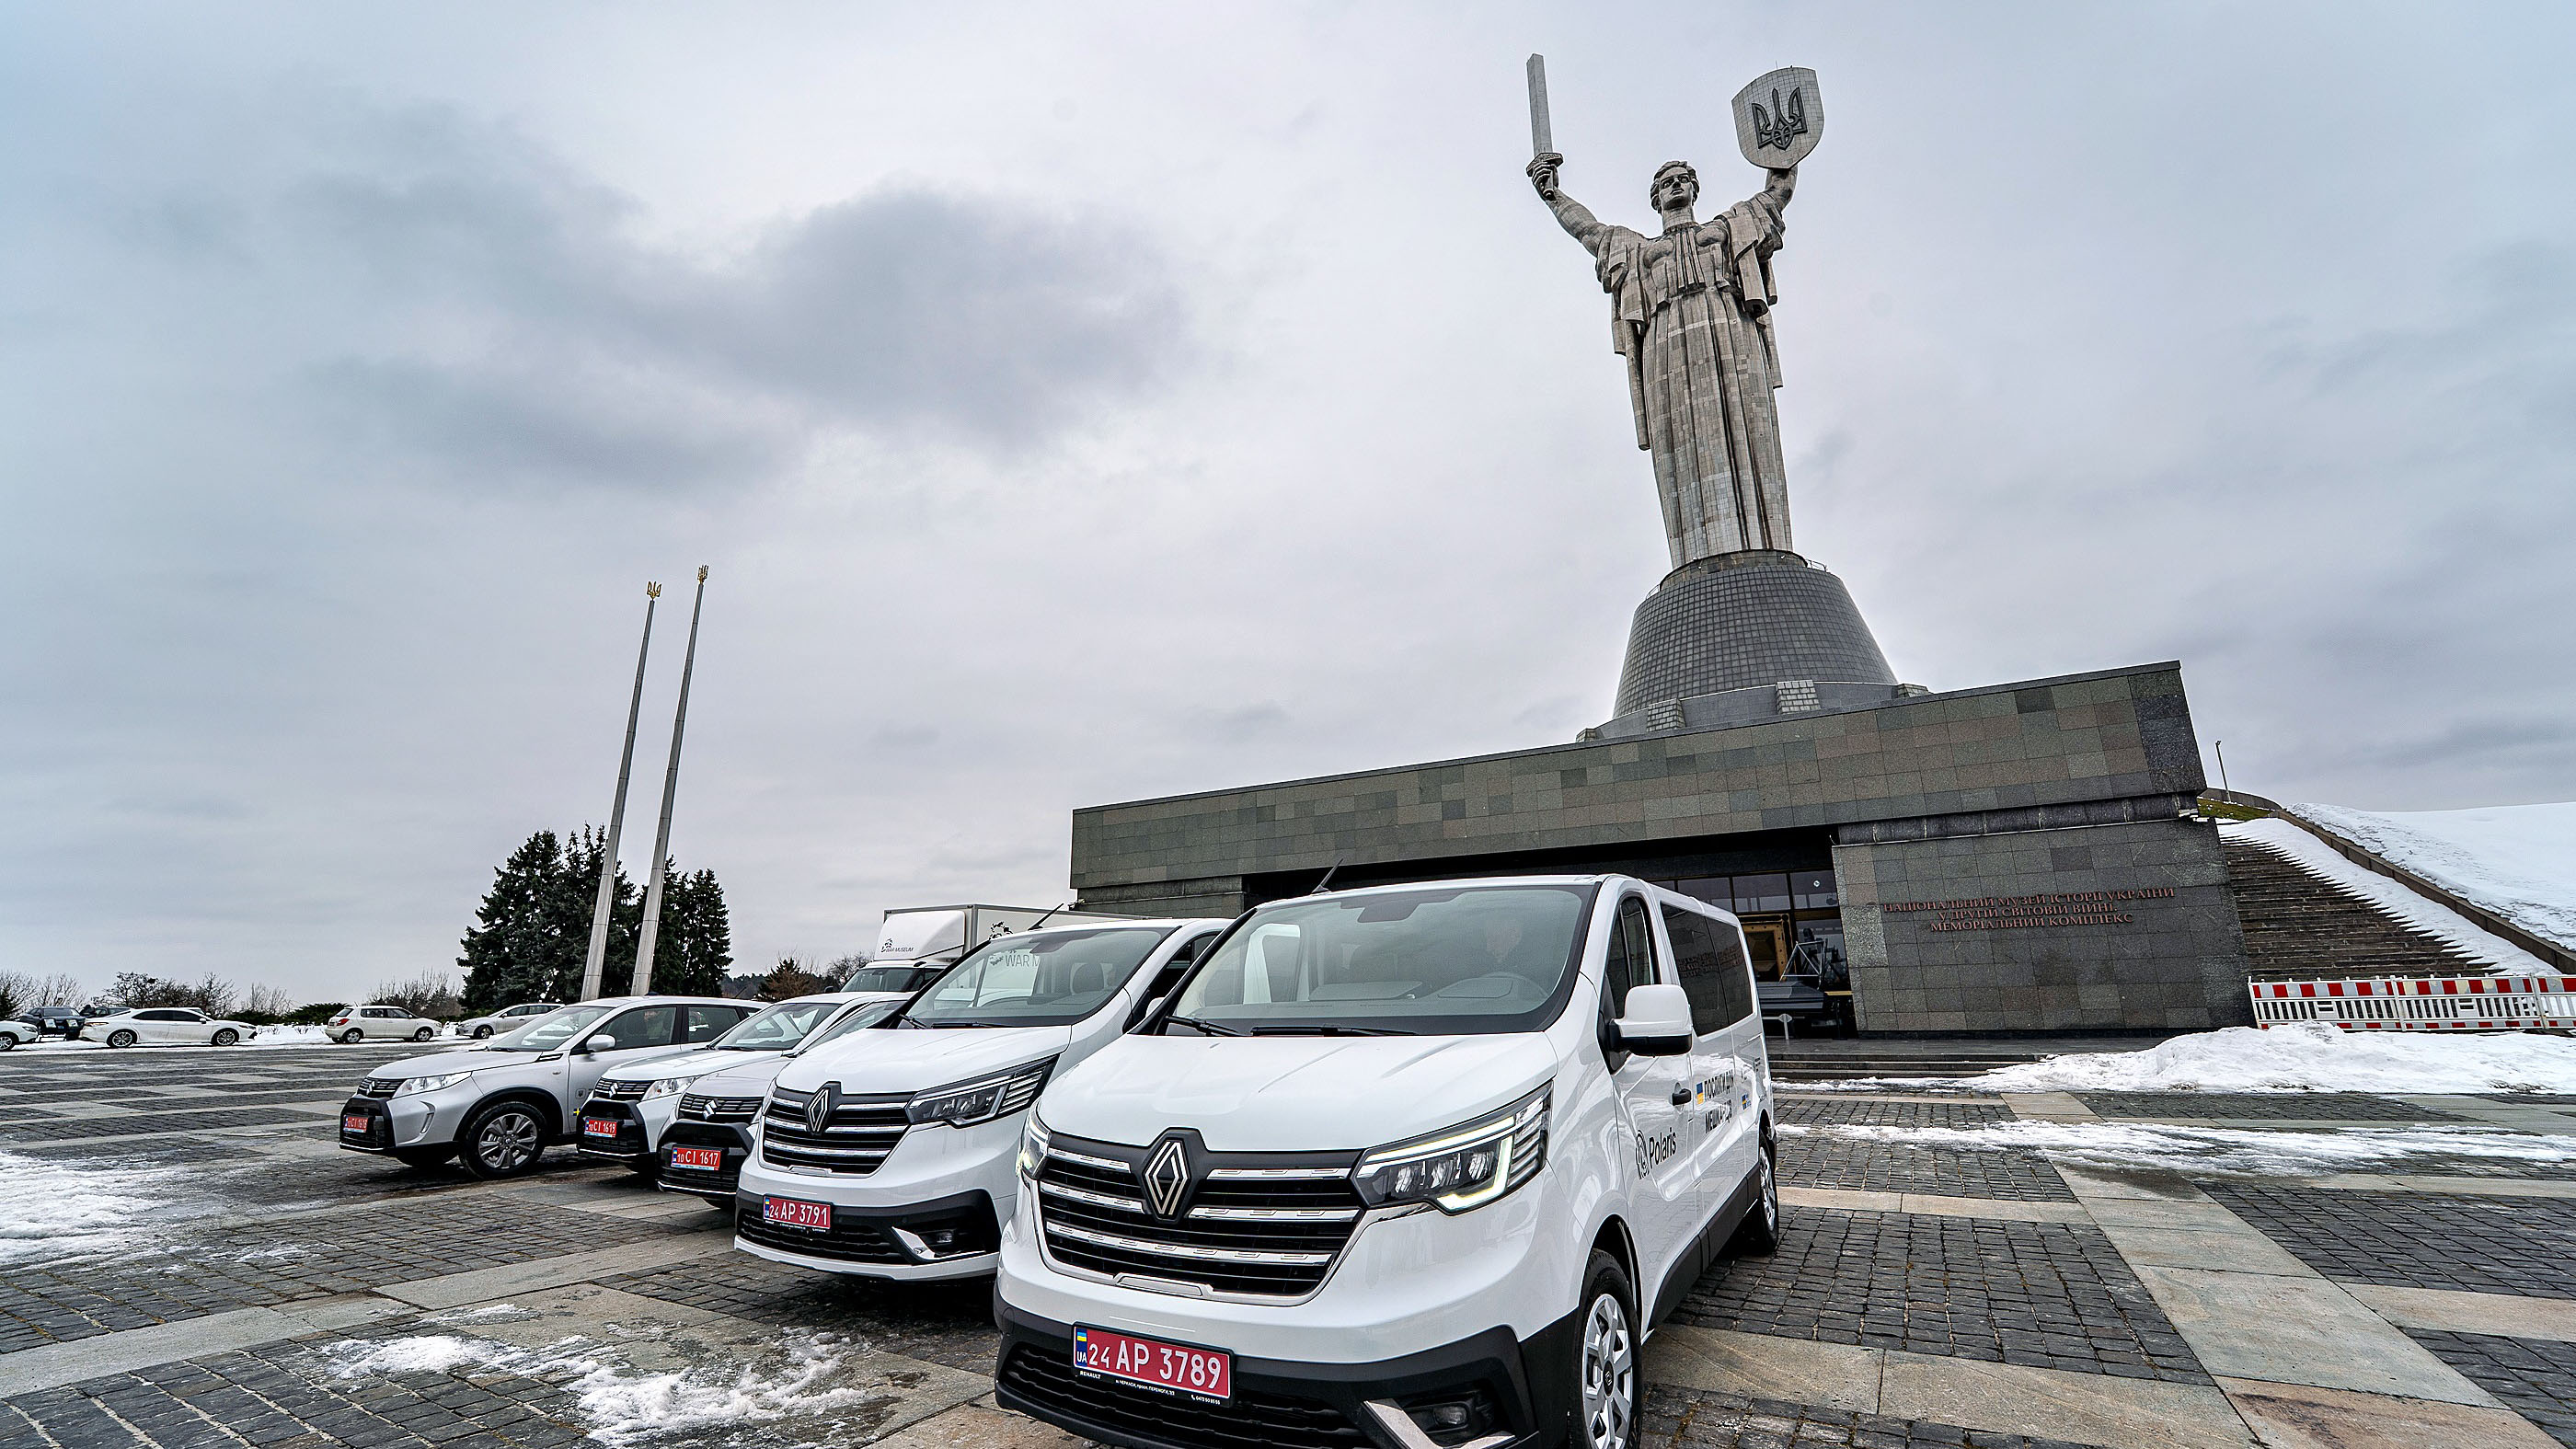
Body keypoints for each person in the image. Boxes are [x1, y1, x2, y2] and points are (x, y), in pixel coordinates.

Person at [1527, 152, 1800, 567]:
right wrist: (1553, 195)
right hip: (1667, 346)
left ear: (1693, 190)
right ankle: (1695, 555)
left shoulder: (1725, 230)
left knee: (1748, 421)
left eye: (1682, 179)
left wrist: (1784, 145)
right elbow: (1588, 232)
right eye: (1666, 182)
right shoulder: (1637, 250)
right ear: (1655, 199)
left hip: (1728, 328)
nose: (1675, 185)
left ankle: (1763, 545)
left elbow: (1777, 193)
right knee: (1679, 438)